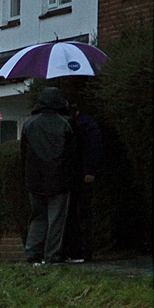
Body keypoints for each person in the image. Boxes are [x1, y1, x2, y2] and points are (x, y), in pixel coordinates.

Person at [21, 87, 76, 265]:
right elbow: (70, 155)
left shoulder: (29, 124)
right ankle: (52, 255)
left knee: (37, 217)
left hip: (34, 180)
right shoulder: (65, 124)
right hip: (59, 179)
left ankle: (32, 252)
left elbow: (24, 155)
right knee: (56, 219)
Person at [63, 105, 102, 263]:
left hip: (73, 174)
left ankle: (76, 250)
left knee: (73, 213)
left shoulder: (72, 125)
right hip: (82, 174)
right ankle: (83, 251)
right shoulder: (88, 124)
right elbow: (95, 147)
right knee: (83, 213)